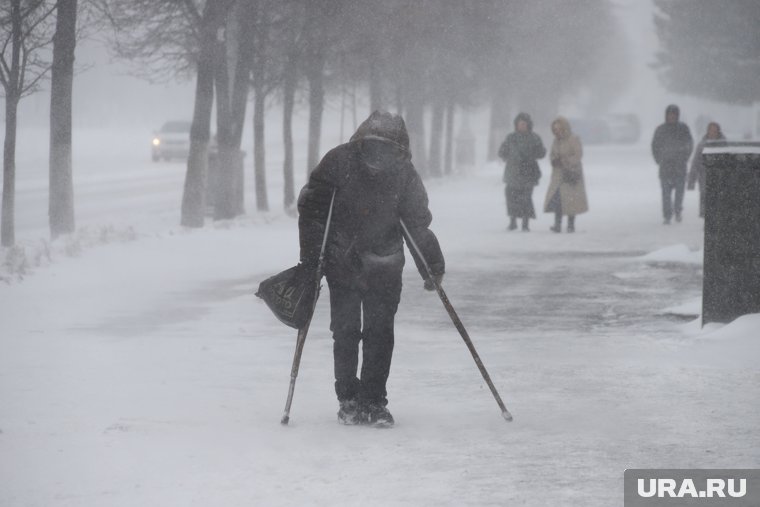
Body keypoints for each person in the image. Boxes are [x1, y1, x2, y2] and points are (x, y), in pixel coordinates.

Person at [297, 110, 445, 427]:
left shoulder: (352, 162)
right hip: (368, 262)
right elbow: (418, 224)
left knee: (348, 332)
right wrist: (431, 265)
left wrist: (430, 263)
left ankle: (353, 400)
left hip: (353, 262)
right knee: (375, 334)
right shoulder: (348, 164)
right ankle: (370, 401)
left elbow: (310, 210)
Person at [498, 112, 546, 232]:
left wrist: (534, 153)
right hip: (513, 173)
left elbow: (541, 153)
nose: (522, 126)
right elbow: (502, 151)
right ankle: (513, 221)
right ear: (516, 125)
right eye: (519, 124)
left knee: (526, 198)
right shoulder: (511, 137)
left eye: (524, 124)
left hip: (528, 173)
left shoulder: (534, 138)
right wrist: (506, 154)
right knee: (511, 197)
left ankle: (525, 223)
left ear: (528, 125)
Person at [543, 117, 588, 232]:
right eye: (555, 130)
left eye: (559, 129)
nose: (557, 132)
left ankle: (570, 225)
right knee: (557, 199)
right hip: (558, 174)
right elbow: (552, 154)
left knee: (571, 200)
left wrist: (565, 161)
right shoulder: (555, 141)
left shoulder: (573, 139)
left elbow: (578, 155)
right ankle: (557, 224)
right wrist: (554, 160)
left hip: (571, 173)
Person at [651, 104, 694, 224]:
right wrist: (658, 159)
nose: (671, 117)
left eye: (674, 114)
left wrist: (685, 157)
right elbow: (655, 146)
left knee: (679, 193)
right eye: (670, 114)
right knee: (666, 194)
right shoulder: (660, 130)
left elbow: (689, 144)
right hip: (665, 167)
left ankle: (678, 211)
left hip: (680, 167)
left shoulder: (683, 129)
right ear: (666, 115)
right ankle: (667, 215)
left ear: (677, 115)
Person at [687, 121, 725, 218]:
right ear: (707, 132)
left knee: (718, 199)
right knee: (705, 197)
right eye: (711, 131)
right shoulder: (702, 145)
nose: (712, 133)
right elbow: (695, 163)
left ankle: (716, 218)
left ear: (718, 132)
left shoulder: (724, 145)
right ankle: (706, 217)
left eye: (715, 131)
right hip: (704, 177)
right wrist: (691, 180)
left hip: (720, 177)